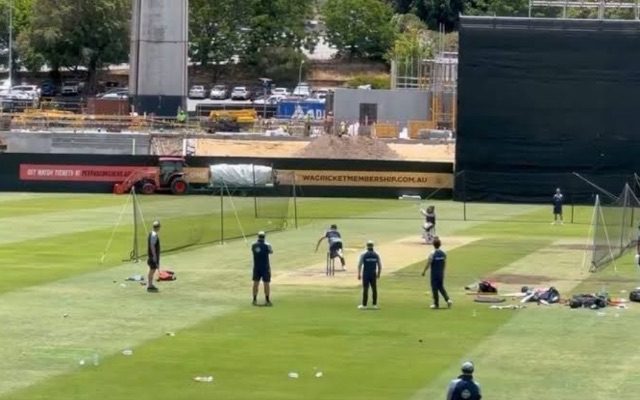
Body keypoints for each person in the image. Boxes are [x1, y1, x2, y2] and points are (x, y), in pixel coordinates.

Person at [422, 237, 452, 309]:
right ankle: (448, 300)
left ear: (433, 245)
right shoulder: (444, 253)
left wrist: (424, 271)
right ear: (440, 244)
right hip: (441, 273)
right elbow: (444, 262)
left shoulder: (432, 253)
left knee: (434, 288)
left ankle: (436, 304)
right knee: (441, 287)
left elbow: (429, 263)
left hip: (434, 274)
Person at [357, 240, 382, 310]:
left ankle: (364, 305)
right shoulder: (376, 255)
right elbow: (379, 265)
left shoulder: (364, 254)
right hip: (373, 273)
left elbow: (360, 265)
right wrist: (379, 273)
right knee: (374, 289)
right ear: (372, 246)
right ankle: (374, 305)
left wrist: (359, 274)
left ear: (367, 246)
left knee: (365, 289)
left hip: (366, 274)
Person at [251, 231, 273, 306]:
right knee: (266, 283)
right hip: (265, 267)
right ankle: (267, 300)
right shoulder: (267, 245)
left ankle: (254, 299)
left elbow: (254, 250)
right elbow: (271, 252)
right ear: (264, 236)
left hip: (256, 267)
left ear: (258, 236)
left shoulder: (253, 245)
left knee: (255, 283)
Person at [146, 220, 161, 293]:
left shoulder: (151, 233)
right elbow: (152, 246)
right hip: (153, 256)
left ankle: (150, 284)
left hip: (151, 255)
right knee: (152, 270)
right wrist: (154, 257)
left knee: (152, 270)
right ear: (158, 227)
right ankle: (149, 285)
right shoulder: (154, 235)